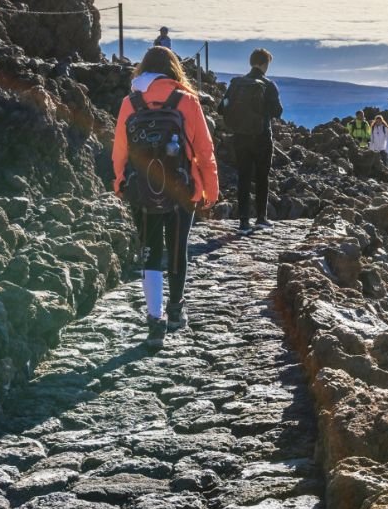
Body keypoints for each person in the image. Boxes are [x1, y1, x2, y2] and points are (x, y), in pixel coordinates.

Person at [112, 47, 218, 349]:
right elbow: (205, 152)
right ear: (173, 70)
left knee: (150, 250)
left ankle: (154, 320)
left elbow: (120, 149)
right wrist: (210, 190)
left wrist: (120, 181)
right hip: (181, 190)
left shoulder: (129, 103)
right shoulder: (187, 101)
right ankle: (175, 312)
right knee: (176, 249)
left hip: (142, 189)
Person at [220, 47, 283, 233]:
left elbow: (221, 108)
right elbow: (277, 112)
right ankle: (261, 218)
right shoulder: (268, 84)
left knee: (244, 177)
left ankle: (243, 221)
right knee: (262, 177)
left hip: (240, 136)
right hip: (262, 136)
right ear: (265, 64)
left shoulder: (236, 84)